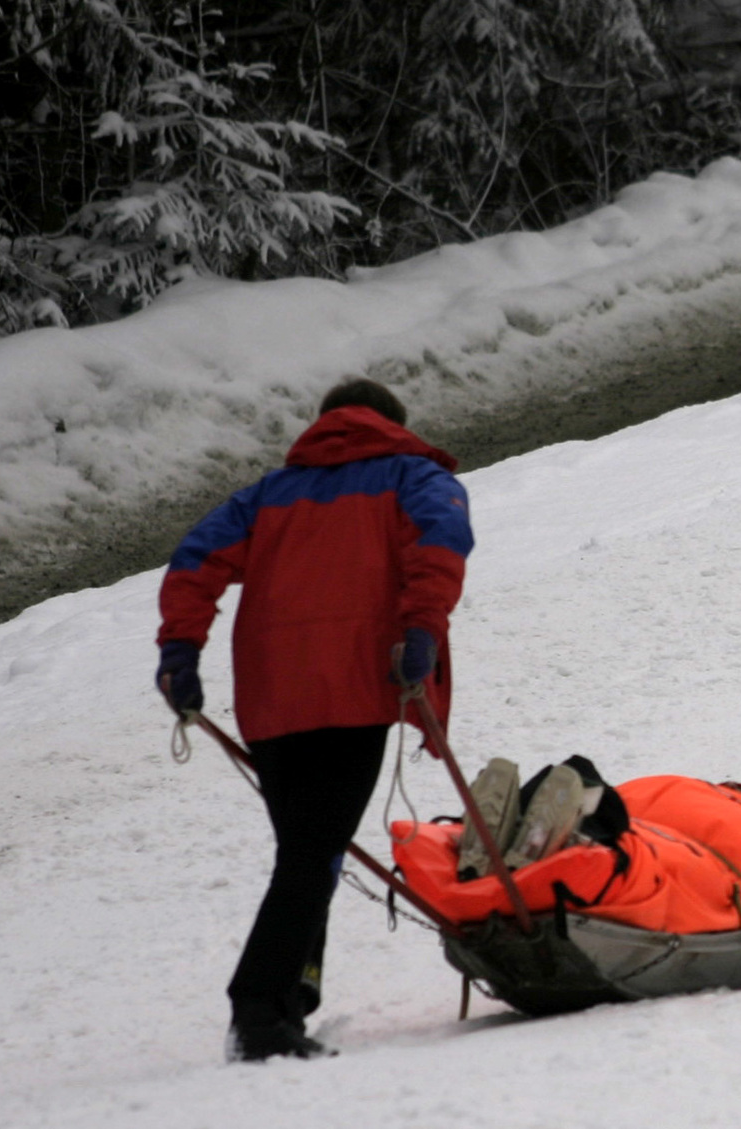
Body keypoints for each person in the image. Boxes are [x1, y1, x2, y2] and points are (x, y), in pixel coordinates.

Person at [155, 379, 472, 1061]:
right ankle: (260, 1009)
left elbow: (194, 559)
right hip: (357, 689)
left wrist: (180, 650)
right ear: (391, 424)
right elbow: (440, 544)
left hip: (271, 698)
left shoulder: (269, 495)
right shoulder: (411, 476)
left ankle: (294, 996)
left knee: (308, 851)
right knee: (309, 855)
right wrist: (420, 630)